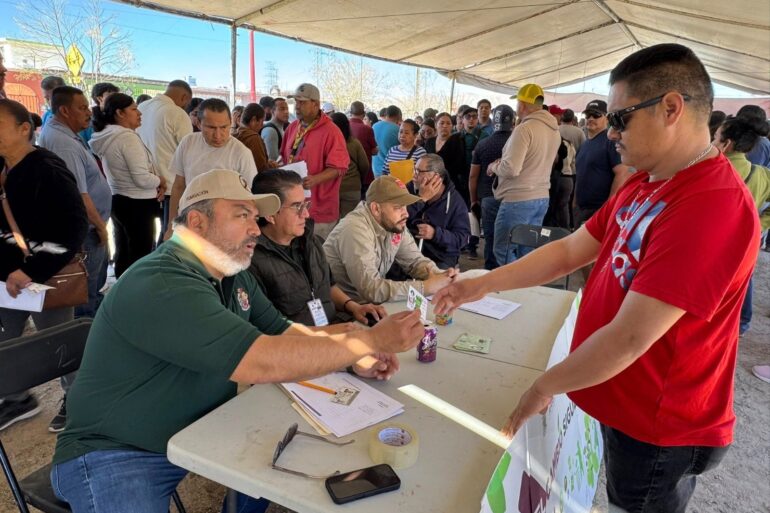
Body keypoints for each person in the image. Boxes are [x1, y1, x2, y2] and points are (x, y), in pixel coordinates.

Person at [435, 43, 760, 513]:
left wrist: (545, 386)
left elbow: (629, 338)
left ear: (671, 108)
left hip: (659, 424)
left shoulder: (711, 205)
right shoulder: (648, 182)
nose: (611, 133)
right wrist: (479, 284)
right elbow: (570, 250)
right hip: (628, 403)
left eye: (620, 118)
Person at [50, 168, 425, 513]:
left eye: (254, 216)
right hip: (116, 451)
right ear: (197, 222)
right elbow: (260, 361)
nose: (256, 229)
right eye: (241, 215)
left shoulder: (231, 274)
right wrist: (368, 342)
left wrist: (351, 349)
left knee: (293, 453)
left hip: (200, 429)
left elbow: (286, 333)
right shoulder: (163, 281)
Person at [0, 99, 88, 433]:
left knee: (60, 346)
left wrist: (31, 271)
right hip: (6, 280)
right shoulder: (2, 167)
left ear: (24, 129)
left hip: (44, 278)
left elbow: (73, 229)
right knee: (6, 341)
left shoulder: (47, 169)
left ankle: (78, 401)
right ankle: (16, 398)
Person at [249, 169, 386, 325]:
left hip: (332, 325)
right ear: (270, 214)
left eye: (305, 205)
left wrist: (353, 307)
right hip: (301, 338)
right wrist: (331, 335)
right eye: (297, 207)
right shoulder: (252, 261)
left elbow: (328, 286)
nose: (306, 214)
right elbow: (270, 327)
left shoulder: (310, 241)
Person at [38, 86, 111, 324]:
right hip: (86, 230)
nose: (89, 112)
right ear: (65, 111)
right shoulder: (63, 144)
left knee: (91, 286)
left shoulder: (65, 134)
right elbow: (79, 194)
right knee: (84, 289)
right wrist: (101, 227)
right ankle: (85, 333)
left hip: (87, 226)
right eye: (82, 108)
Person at [324, 176, 457, 303]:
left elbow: (415, 262)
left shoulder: (393, 223)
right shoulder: (355, 228)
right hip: (343, 309)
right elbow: (371, 288)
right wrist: (426, 287)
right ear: (376, 209)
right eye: (398, 207)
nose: (406, 214)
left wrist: (440, 275)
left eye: (405, 206)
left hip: (370, 305)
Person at [89, 93, 166, 278]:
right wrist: (160, 180)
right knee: (140, 252)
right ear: (120, 113)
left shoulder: (107, 136)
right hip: (138, 203)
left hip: (119, 199)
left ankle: (122, 286)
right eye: (133, 109)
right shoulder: (126, 138)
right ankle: (136, 289)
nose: (139, 113)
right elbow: (141, 178)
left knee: (124, 249)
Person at [165, 98, 258, 239]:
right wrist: (171, 226)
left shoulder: (241, 153)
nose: (218, 135)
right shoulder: (188, 143)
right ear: (198, 123)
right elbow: (178, 186)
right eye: (211, 128)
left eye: (224, 127)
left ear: (231, 123)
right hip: (190, 222)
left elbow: (249, 198)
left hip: (224, 228)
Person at [489, 83, 561, 265]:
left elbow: (512, 169)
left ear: (521, 105)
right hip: (541, 198)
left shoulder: (524, 129)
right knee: (527, 252)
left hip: (518, 199)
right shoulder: (554, 130)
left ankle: (512, 283)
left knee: (503, 249)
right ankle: (526, 282)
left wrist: (494, 167)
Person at [712, 117, 770, 338]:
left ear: (726, 144)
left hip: (714, 244)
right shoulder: (762, 174)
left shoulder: (710, 171)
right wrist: (760, 223)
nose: (711, 142)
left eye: (715, 138)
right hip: (745, 244)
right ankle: (740, 325)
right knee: (741, 284)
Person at [281, 83, 349, 240]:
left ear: (316, 104)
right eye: (296, 102)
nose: (297, 106)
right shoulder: (292, 127)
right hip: (293, 205)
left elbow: (340, 167)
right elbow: (285, 156)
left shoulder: (331, 131)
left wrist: (316, 179)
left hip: (320, 211)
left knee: (317, 252)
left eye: (302, 102)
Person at [137, 80, 194, 240]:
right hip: (171, 187)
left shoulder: (141, 108)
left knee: (144, 238)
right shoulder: (177, 113)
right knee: (170, 234)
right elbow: (189, 153)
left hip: (145, 184)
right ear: (184, 97)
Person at [573, 99, 631, 227]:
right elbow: (580, 174)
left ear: (606, 118)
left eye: (596, 115)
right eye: (588, 115)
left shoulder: (610, 142)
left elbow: (622, 173)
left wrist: (607, 209)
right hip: (581, 210)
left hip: (598, 210)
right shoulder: (585, 144)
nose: (591, 118)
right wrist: (574, 203)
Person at [470, 105, 514, 270]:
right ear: (513, 122)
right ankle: (509, 274)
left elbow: (473, 176)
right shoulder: (517, 144)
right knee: (511, 239)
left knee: (491, 238)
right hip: (513, 198)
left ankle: (490, 272)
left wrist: (473, 199)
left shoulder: (483, 144)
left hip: (488, 197)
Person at [407, 155, 470, 269]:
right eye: (414, 170)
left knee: (436, 274)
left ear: (435, 176)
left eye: (419, 171)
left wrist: (435, 234)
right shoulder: (410, 188)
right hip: (409, 252)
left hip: (440, 257)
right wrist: (420, 200)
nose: (414, 175)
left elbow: (463, 239)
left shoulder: (455, 202)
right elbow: (395, 218)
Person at [330, 112, 369, 218]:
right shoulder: (354, 143)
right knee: (350, 220)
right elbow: (364, 165)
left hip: (332, 188)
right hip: (352, 187)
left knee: (333, 221)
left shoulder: (328, 144)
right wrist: (359, 179)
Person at [423, 112, 466, 195]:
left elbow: (458, 165)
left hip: (451, 184)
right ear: (436, 125)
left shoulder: (457, 141)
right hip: (430, 183)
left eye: (448, 123)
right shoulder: (429, 142)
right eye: (442, 123)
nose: (445, 126)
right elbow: (425, 161)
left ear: (452, 126)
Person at [234, 103, 277, 172]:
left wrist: (267, 163)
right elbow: (261, 170)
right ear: (253, 120)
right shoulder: (253, 138)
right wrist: (271, 166)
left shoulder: (234, 134)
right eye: (262, 121)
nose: (262, 126)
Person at [348, 100, 378, 190]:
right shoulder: (367, 129)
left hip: (348, 174)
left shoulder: (344, 127)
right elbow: (374, 151)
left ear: (350, 113)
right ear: (364, 113)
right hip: (365, 175)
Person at [372, 105, 401, 178]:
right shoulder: (398, 129)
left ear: (386, 114)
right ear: (398, 116)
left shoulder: (374, 126)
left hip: (376, 167)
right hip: (391, 170)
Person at [261, 97, 289, 162]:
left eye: (287, 109)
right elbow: (273, 161)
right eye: (282, 109)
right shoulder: (270, 131)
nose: (286, 112)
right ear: (273, 111)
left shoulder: (283, 128)